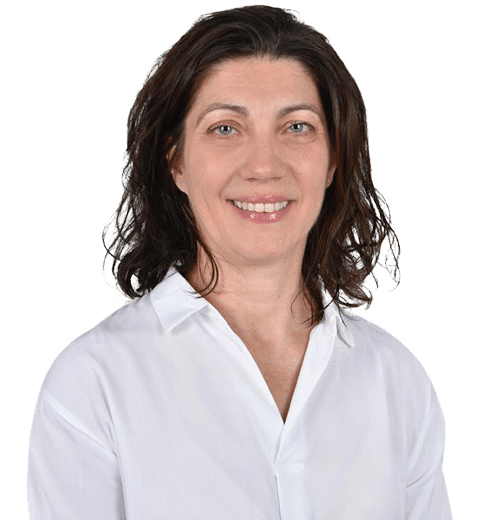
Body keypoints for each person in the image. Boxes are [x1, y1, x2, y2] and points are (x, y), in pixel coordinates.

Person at [26, 4, 453, 519]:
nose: (264, 167)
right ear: (176, 161)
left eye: (296, 127)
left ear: (333, 161)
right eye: (225, 128)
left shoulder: (397, 380)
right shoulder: (93, 383)